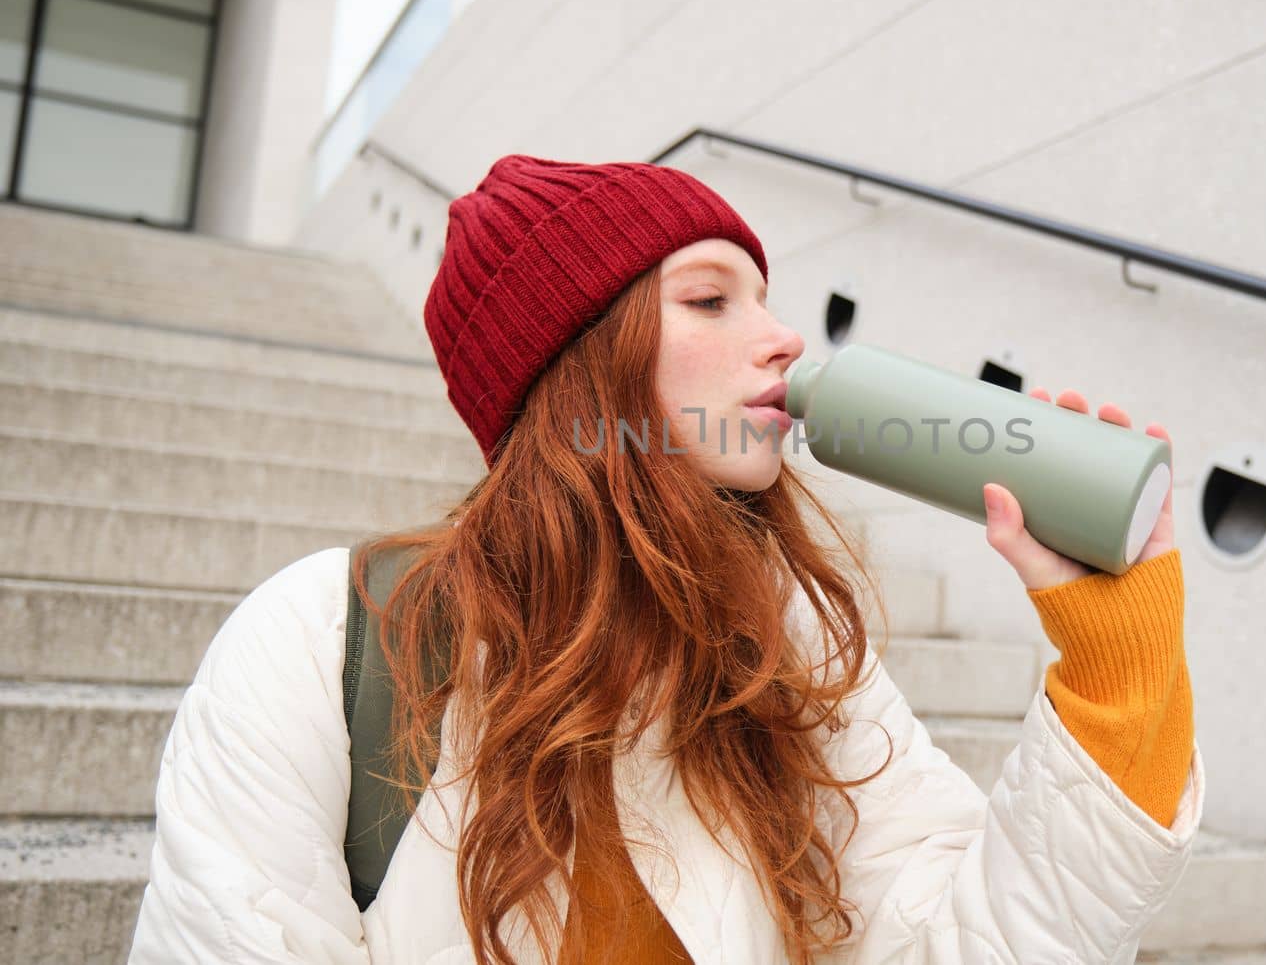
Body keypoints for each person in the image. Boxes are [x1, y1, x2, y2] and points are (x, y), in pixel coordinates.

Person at [128, 154, 1204, 964]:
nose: (781, 336)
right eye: (709, 297)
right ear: (576, 363)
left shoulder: (783, 647)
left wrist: (1115, 667)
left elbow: (969, 941)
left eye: (765, 297)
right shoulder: (323, 640)